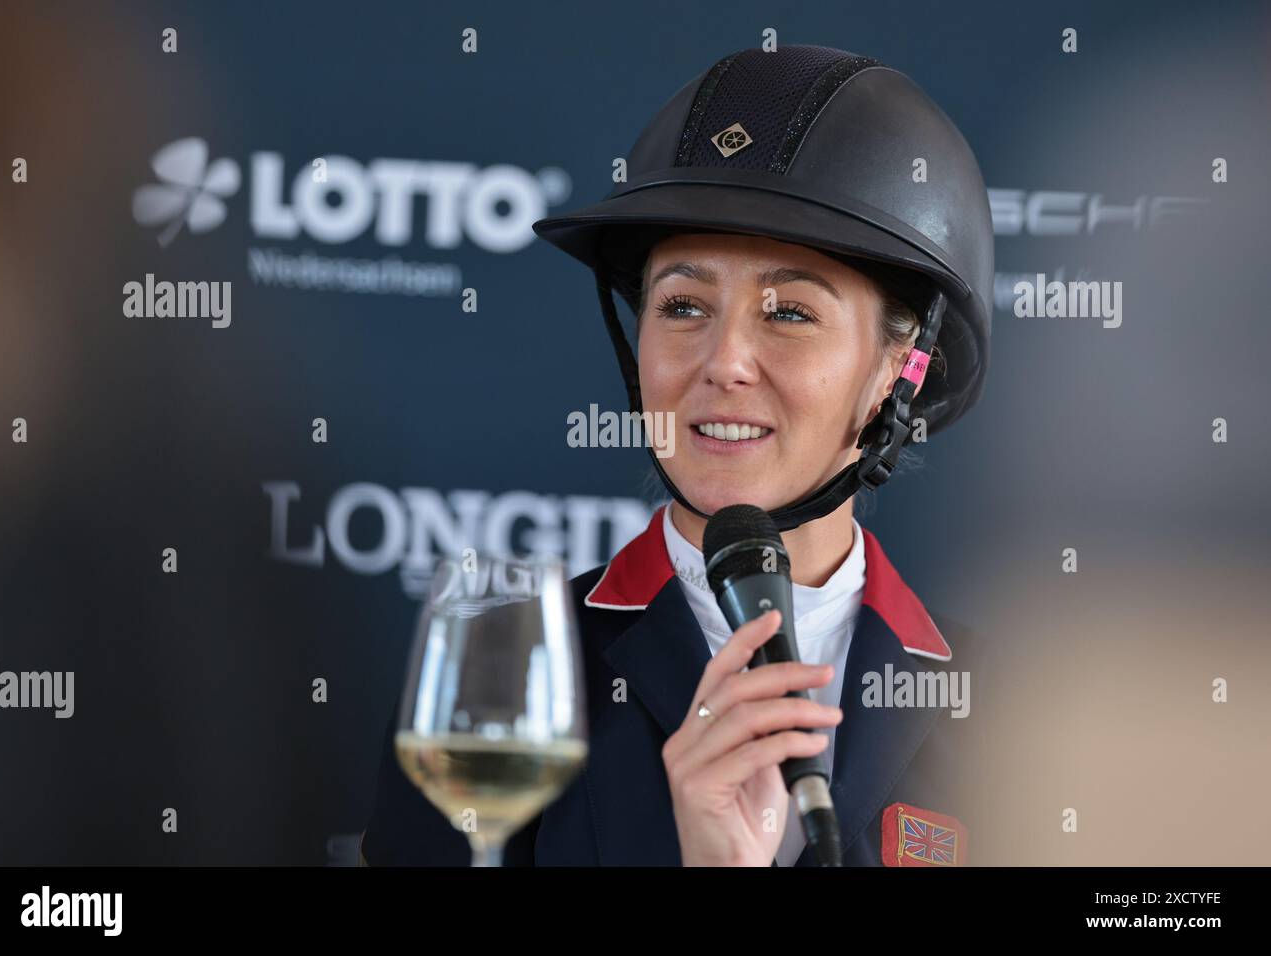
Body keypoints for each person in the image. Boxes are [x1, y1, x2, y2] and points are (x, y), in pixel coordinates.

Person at [361, 42, 993, 866]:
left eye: (790, 313)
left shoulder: (1020, 713)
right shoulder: (498, 688)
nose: (723, 361)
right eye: (685, 305)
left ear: (899, 373)